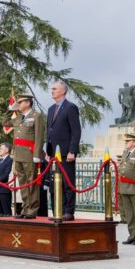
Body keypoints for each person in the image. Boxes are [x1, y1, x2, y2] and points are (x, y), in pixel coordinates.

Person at [3, 93, 45, 219]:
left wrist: (37, 154)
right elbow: (5, 122)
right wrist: (10, 109)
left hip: (30, 154)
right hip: (18, 155)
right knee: (22, 183)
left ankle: (32, 209)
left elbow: (39, 136)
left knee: (31, 183)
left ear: (28, 102)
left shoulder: (36, 116)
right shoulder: (18, 117)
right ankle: (25, 208)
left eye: (20, 102)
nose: (19, 104)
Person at [46, 81, 81, 220]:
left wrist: (72, 150)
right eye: (52, 89)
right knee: (55, 183)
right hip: (54, 154)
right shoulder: (50, 109)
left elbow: (76, 131)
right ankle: (57, 211)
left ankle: (69, 211)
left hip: (66, 153)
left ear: (63, 91)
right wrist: (48, 152)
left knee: (67, 183)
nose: (52, 91)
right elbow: (49, 132)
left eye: (55, 89)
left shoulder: (70, 107)